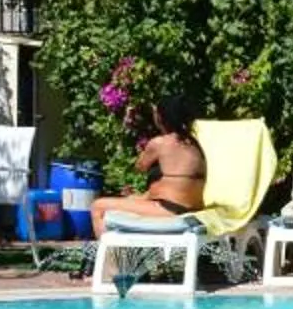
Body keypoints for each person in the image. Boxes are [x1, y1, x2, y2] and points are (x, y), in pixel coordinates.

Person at [88, 97, 206, 231]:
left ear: (161, 118)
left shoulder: (160, 143)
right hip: (192, 208)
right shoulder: (195, 145)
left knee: (98, 206)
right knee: (134, 198)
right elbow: (176, 182)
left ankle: (111, 252)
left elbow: (140, 167)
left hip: (170, 209)